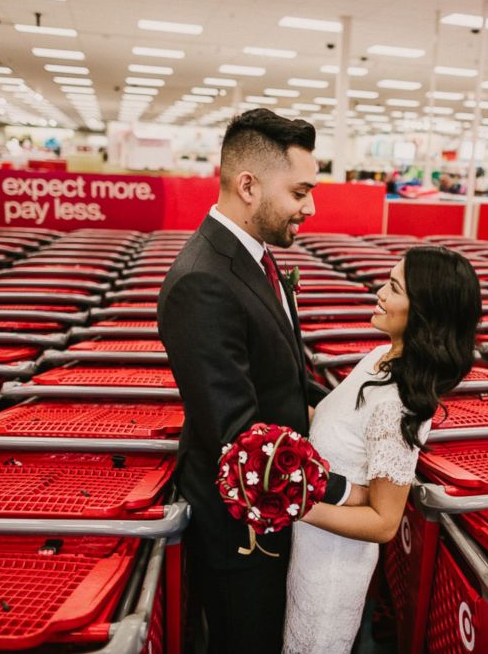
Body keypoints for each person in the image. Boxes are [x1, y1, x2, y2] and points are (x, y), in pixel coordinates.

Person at [157, 109, 358, 654]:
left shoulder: (253, 257)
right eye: (300, 191)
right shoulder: (203, 279)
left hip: (275, 502)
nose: (310, 207)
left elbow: (281, 378)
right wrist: (350, 494)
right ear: (248, 185)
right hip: (238, 527)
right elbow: (239, 436)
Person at [284, 246, 482, 654]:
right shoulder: (380, 357)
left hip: (332, 569)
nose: (379, 293)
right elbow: (330, 423)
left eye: (393, 288)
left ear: (424, 312)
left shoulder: (398, 404)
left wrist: (292, 505)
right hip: (309, 544)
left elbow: (384, 521)